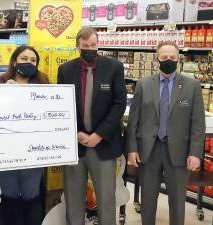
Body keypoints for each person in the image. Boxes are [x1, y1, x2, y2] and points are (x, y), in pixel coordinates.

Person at [127, 42, 205, 225]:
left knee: (177, 200)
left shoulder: (192, 86)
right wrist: (132, 148)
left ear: (178, 59)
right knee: (148, 199)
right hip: (149, 150)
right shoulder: (143, 84)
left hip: (179, 152)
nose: (168, 61)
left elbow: (198, 124)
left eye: (172, 57)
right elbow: (133, 121)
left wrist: (195, 153)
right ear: (157, 59)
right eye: (164, 57)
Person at [57, 27, 127, 225]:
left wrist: (99, 134)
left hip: (103, 144)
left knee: (106, 198)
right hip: (74, 145)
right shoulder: (66, 70)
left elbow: (119, 104)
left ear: (98, 44)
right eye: (85, 46)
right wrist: (76, 133)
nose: (90, 49)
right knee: (73, 196)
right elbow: (62, 106)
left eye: (93, 45)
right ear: (77, 46)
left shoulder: (114, 67)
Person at [0, 45, 49, 225]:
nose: (29, 63)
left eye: (33, 60)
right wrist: (2, 94)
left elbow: (51, 115)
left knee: (31, 193)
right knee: (10, 193)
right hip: (5, 150)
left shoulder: (44, 84)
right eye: (24, 59)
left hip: (33, 150)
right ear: (14, 61)